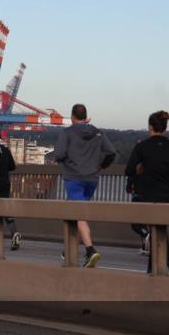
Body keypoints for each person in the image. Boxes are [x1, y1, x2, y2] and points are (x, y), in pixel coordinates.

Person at [53, 103, 116, 268]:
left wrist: (60, 159)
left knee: (79, 214)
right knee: (79, 216)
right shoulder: (98, 132)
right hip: (92, 178)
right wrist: (102, 166)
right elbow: (111, 152)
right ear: (85, 116)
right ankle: (70, 249)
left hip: (74, 178)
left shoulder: (67, 132)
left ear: (73, 117)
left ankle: (90, 250)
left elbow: (59, 154)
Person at [125, 111, 169, 277]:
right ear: (165, 128)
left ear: (150, 127)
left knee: (156, 231)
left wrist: (140, 168)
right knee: (158, 231)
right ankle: (154, 270)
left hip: (149, 195)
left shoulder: (142, 147)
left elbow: (129, 170)